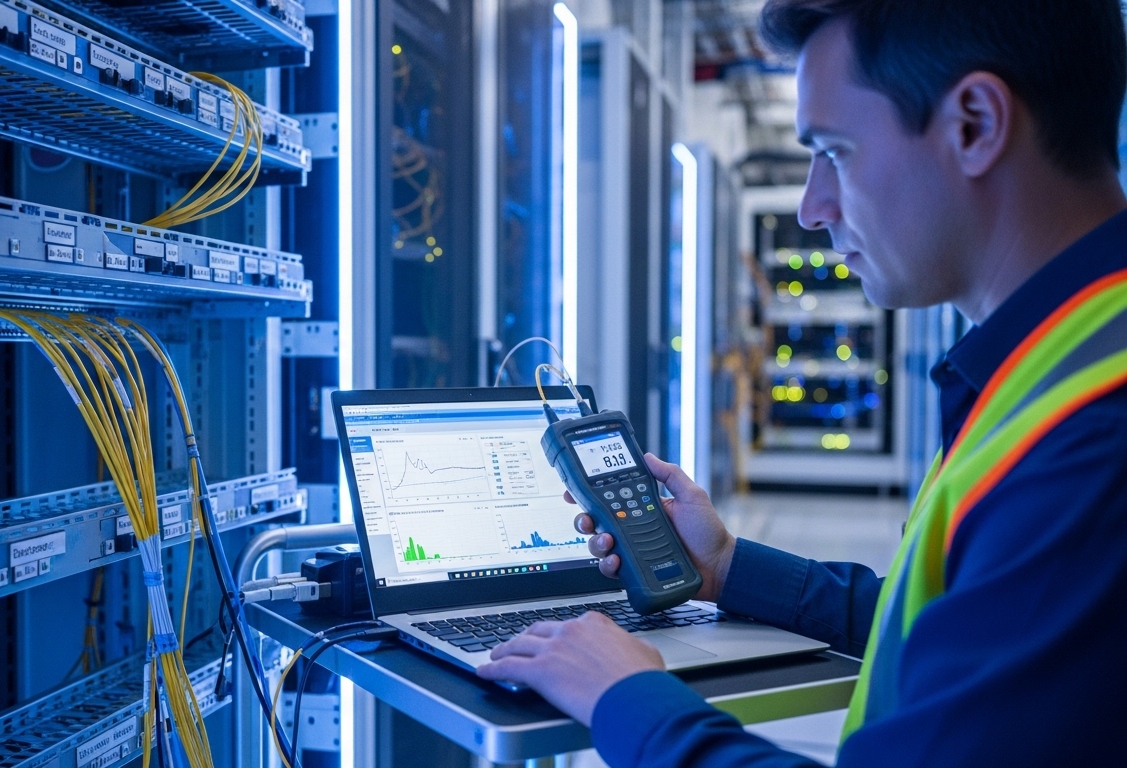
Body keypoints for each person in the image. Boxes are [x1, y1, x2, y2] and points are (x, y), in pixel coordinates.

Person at [476, 1, 1127, 765]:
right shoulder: (1065, 360)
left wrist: (627, 697)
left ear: (975, 124)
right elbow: (970, 617)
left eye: (835, 152)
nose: (812, 208)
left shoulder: (1091, 439)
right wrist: (727, 568)